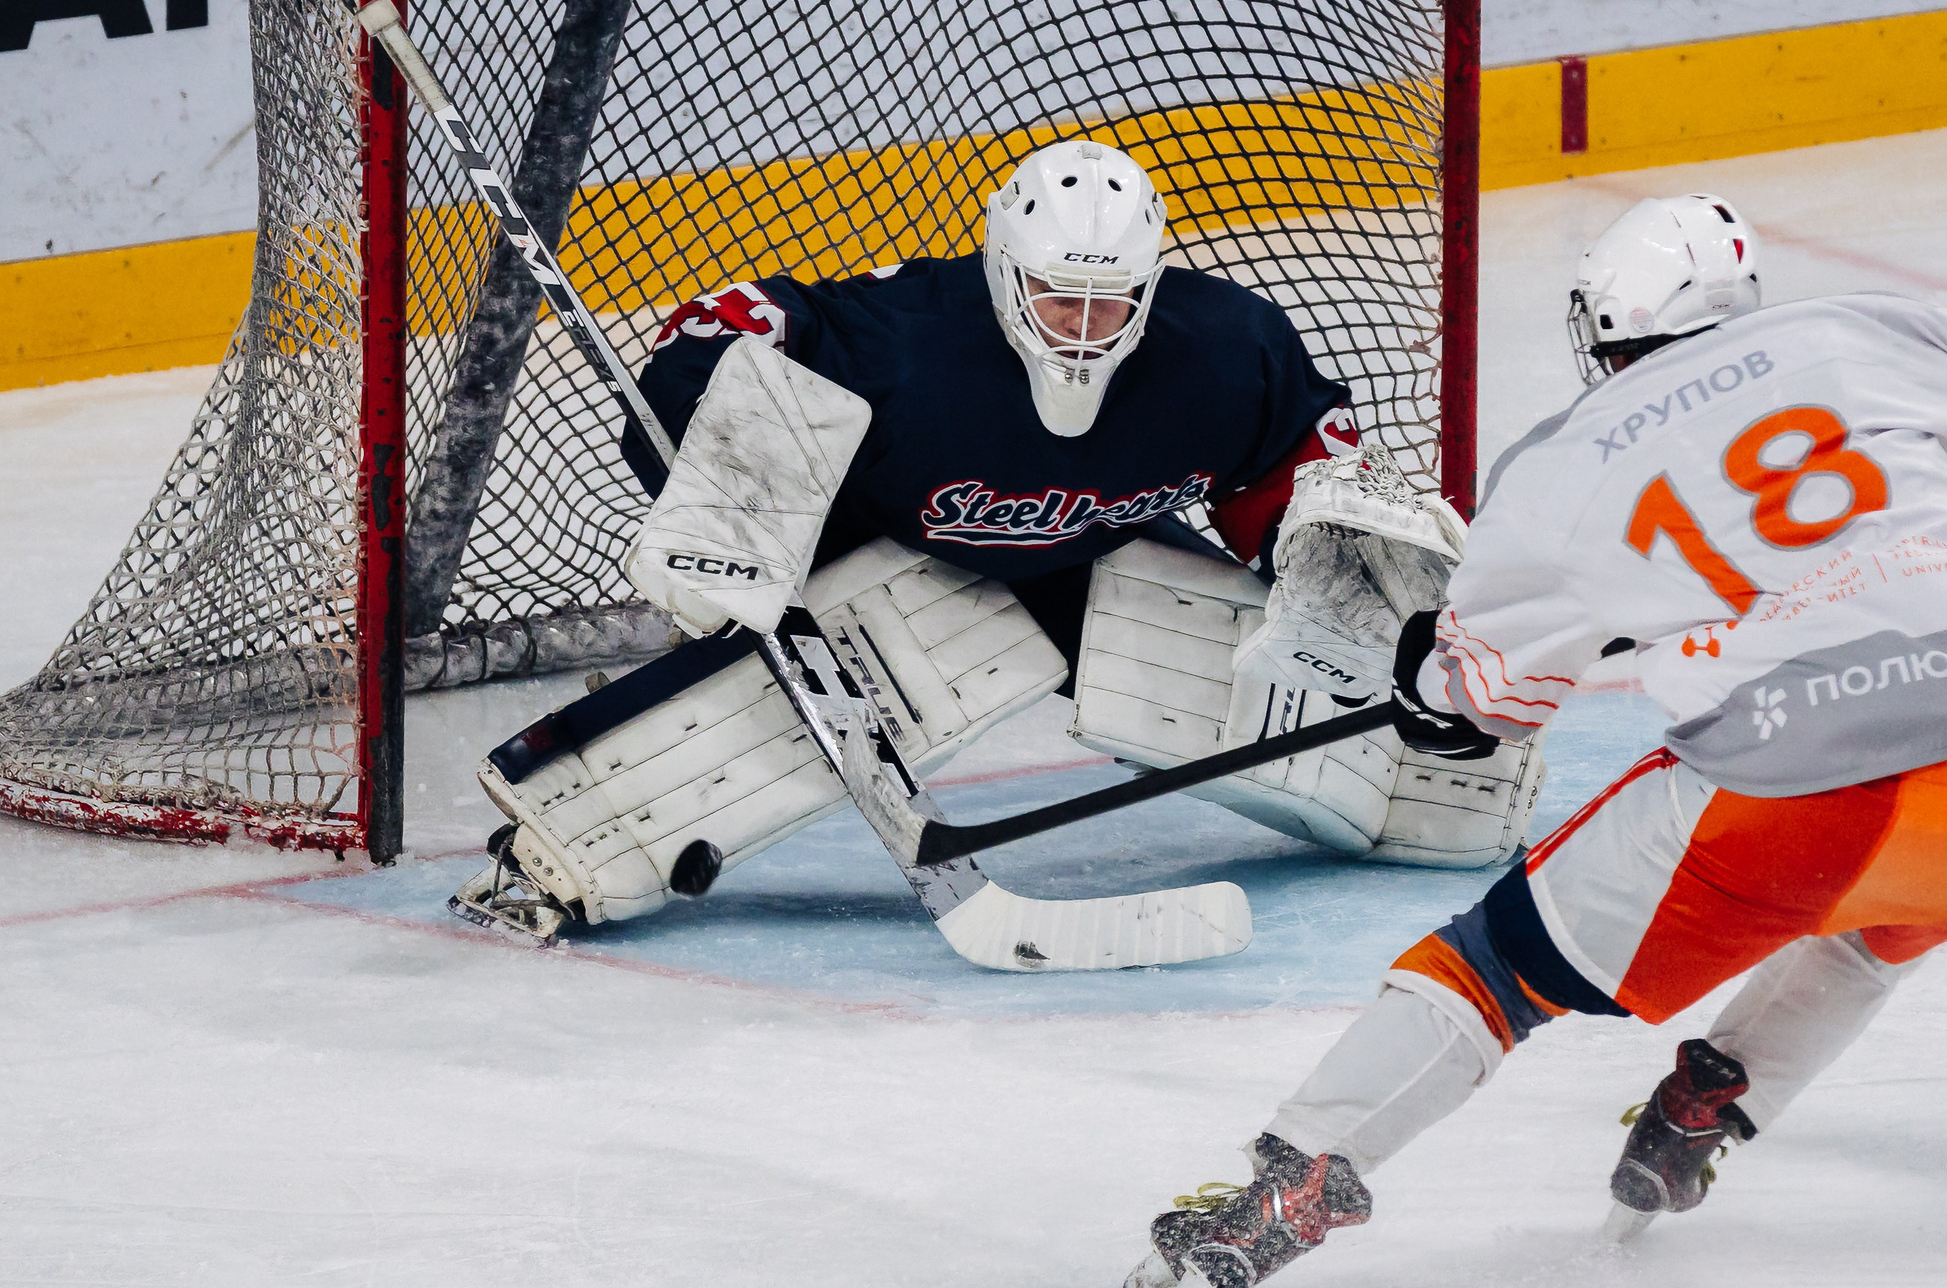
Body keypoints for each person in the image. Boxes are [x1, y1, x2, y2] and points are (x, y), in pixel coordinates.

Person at [1124, 193, 1947, 1288]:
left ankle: (1288, 1191)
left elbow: (1488, 703)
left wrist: (1422, 674)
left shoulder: (1562, 463)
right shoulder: (1878, 331)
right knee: (1882, 920)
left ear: (1601, 329)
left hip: (1783, 801)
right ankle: (1707, 1111)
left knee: (1489, 969)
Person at [452, 140, 1546, 940]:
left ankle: (1441, 805)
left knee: (1257, 684)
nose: (1080, 328)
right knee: (909, 643)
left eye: (1107, 304)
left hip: (1094, 556)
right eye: (1054, 300)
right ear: (1000, 272)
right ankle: (558, 850)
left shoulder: (1226, 350)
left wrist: (1339, 576)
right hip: (894, 551)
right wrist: (723, 480)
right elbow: (733, 329)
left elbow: (1295, 475)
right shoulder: (908, 343)